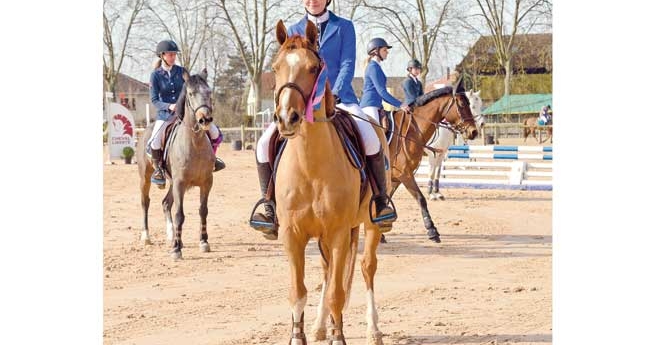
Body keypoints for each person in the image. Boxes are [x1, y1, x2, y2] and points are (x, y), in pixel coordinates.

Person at [249, 0, 397, 239]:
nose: (312, 0)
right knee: (263, 144)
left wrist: (334, 93)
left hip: (341, 99)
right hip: (301, 105)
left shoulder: (344, 27)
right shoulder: (293, 30)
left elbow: (347, 64)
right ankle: (269, 208)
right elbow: (288, 71)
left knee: (371, 139)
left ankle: (380, 202)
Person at [147, 40, 225, 187]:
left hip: (185, 114)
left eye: (174, 54)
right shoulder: (155, 76)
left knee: (214, 132)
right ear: (162, 55)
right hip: (166, 115)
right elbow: (154, 100)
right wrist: (169, 106)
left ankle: (213, 159)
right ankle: (159, 170)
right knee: (155, 139)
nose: (173, 57)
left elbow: (191, 90)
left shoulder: (181, 71)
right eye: (170, 54)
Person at [360, 37, 411, 125]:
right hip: (370, 106)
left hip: (377, 105)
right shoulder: (373, 67)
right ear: (376, 52)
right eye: (384, 50)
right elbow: (382, 92)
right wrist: (400, 105)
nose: (387, 52)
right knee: (375, 136)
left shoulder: (376, 66)